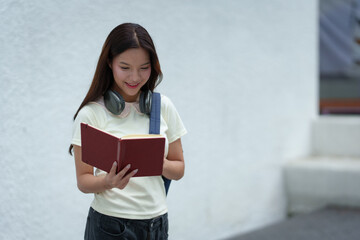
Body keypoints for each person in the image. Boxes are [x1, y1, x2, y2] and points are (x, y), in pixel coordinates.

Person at [69, 23, 187, 240]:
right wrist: (108, 182)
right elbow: (83, 181)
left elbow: (179, 170)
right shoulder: (91, 114)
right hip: (110, 225)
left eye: (144, 67)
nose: (135, 77)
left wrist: (158, 163)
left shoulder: (163, 107)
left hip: (157, 223)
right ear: (109, 63)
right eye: (125, 67)